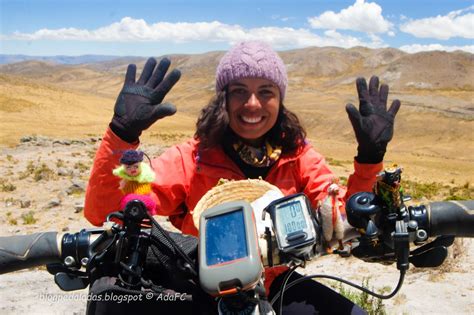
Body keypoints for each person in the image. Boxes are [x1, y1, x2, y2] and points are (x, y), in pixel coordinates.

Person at [84, 41, 400, 314]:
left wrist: (370, 159)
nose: (252, 104)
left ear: (280, 99)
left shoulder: (299, 157)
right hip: (200, 284)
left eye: (265, 92)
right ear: (224, 99)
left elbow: (346, 217)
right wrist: (122, 135)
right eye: (239, 92)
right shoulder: (193, 157)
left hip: (275, 283)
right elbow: (109, 209)